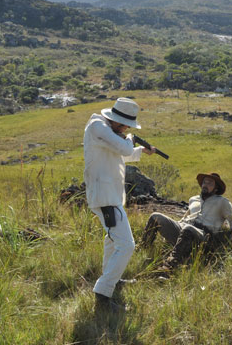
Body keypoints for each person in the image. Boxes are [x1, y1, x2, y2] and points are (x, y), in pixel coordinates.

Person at [83, 97, 155, 312]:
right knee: (127, 245)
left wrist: (141, 151)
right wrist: (130, 139)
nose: (125, 128)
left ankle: (111, 279)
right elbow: (123, 148)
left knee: (113, 241)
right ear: (115, 120)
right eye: (125, 125)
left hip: (110, 196)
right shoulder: (98, 126)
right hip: (105, 197)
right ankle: (103, 293)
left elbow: (122, 154)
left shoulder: (107, 132)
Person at [140, 172, 232, 275]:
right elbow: (185, 217)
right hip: (183, 228)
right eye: (204, 182)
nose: (205, 184)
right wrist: (171, 227)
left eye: (210, 183)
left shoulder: (222, 202)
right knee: (155, 216)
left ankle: (168, 267)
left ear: (216, 188)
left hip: (203, 236)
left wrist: (231, 240)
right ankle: (142, 251)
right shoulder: (193, 199)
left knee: (188, 229)